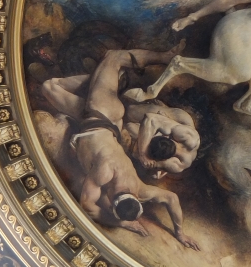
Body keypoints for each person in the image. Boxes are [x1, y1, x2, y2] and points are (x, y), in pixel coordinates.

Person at [41, 46, 200, 246]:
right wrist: (123, 223)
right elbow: (88, 206)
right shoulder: (107, 174)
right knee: (113, 57)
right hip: (102, 112)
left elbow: (172, 199)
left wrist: (179, 233)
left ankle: (105, 80)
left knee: (48, 87)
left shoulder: (139, 190)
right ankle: (164, 55)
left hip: (93, 119)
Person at [42, 64, 200, 181]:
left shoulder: (173, 164)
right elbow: (151, 119)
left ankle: (60, 87)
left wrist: (145, 157)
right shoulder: (187, 137)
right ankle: (61, 83)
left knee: (49, 88)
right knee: (51, 86)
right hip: (127, 107)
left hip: (109, 118)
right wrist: (143, 152)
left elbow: (152, 167)